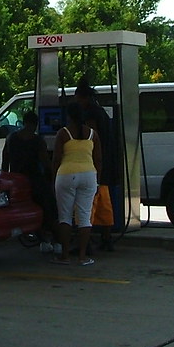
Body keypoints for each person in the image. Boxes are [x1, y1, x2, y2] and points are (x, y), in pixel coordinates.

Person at [52, 101, 101, 266]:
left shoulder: (63, 133)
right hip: (89, 175)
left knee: (65, 217)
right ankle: (82, 257)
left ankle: (65, 256)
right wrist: (98, 181)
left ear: (68, 115)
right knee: (84, 217)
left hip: (66, 175)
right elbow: (98, 160)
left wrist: (53, 178)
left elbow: (56, 159)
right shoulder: (93, 134)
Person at [2, 110, 56, 252]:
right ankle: (48, 239)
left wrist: (6, 176)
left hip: (16, 180)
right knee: (48, 206)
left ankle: (38, 236)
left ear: (23, 122)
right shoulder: (38, 141)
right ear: (36, 124)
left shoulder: (11, 138)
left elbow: (5, 159)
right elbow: (45, 163)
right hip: (34, 179)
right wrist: (52, 175)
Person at [74, 77, 116, 251]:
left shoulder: (90, 114)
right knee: (104, 206)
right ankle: (107, 239)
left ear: (82, 97)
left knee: (87, 205)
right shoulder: (101, 111)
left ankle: (86, 242)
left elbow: (92, 139)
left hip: (94, 167)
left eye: (77, 99)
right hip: (106, 165)